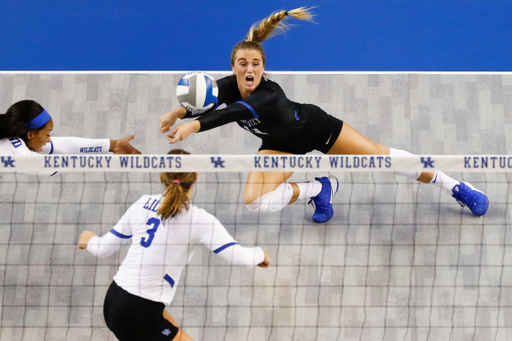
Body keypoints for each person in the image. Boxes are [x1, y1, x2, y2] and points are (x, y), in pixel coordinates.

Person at [159, 7, 489, 222]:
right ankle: (320, 188)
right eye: (242, 64)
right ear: (233, 68)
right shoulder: (229, 85)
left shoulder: (267, 95)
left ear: (263, 68)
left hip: (317, 129)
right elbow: (207, 97)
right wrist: (176, 112)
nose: (249, 68)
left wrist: (192, 127)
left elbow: (233, 113)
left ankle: (455, 185)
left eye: (255, 64)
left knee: (383, 159)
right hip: (280, 145)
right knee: (255, 202)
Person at [78, 149, 270, 341]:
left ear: (162, 175)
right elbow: (240, 257)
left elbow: (103, 249)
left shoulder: (142, 203)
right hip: (140, 311)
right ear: (195, 176)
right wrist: (261, 253)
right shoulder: (198, 220)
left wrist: (90, 240)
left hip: (114, 300)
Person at [0, 100, 140, 160]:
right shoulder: (12, 148)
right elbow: (48, 168)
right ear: (30, 134)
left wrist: (113, 145)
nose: (49, 140)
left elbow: (64, 145)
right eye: (47, 134)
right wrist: (108, 161)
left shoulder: (15, 137)